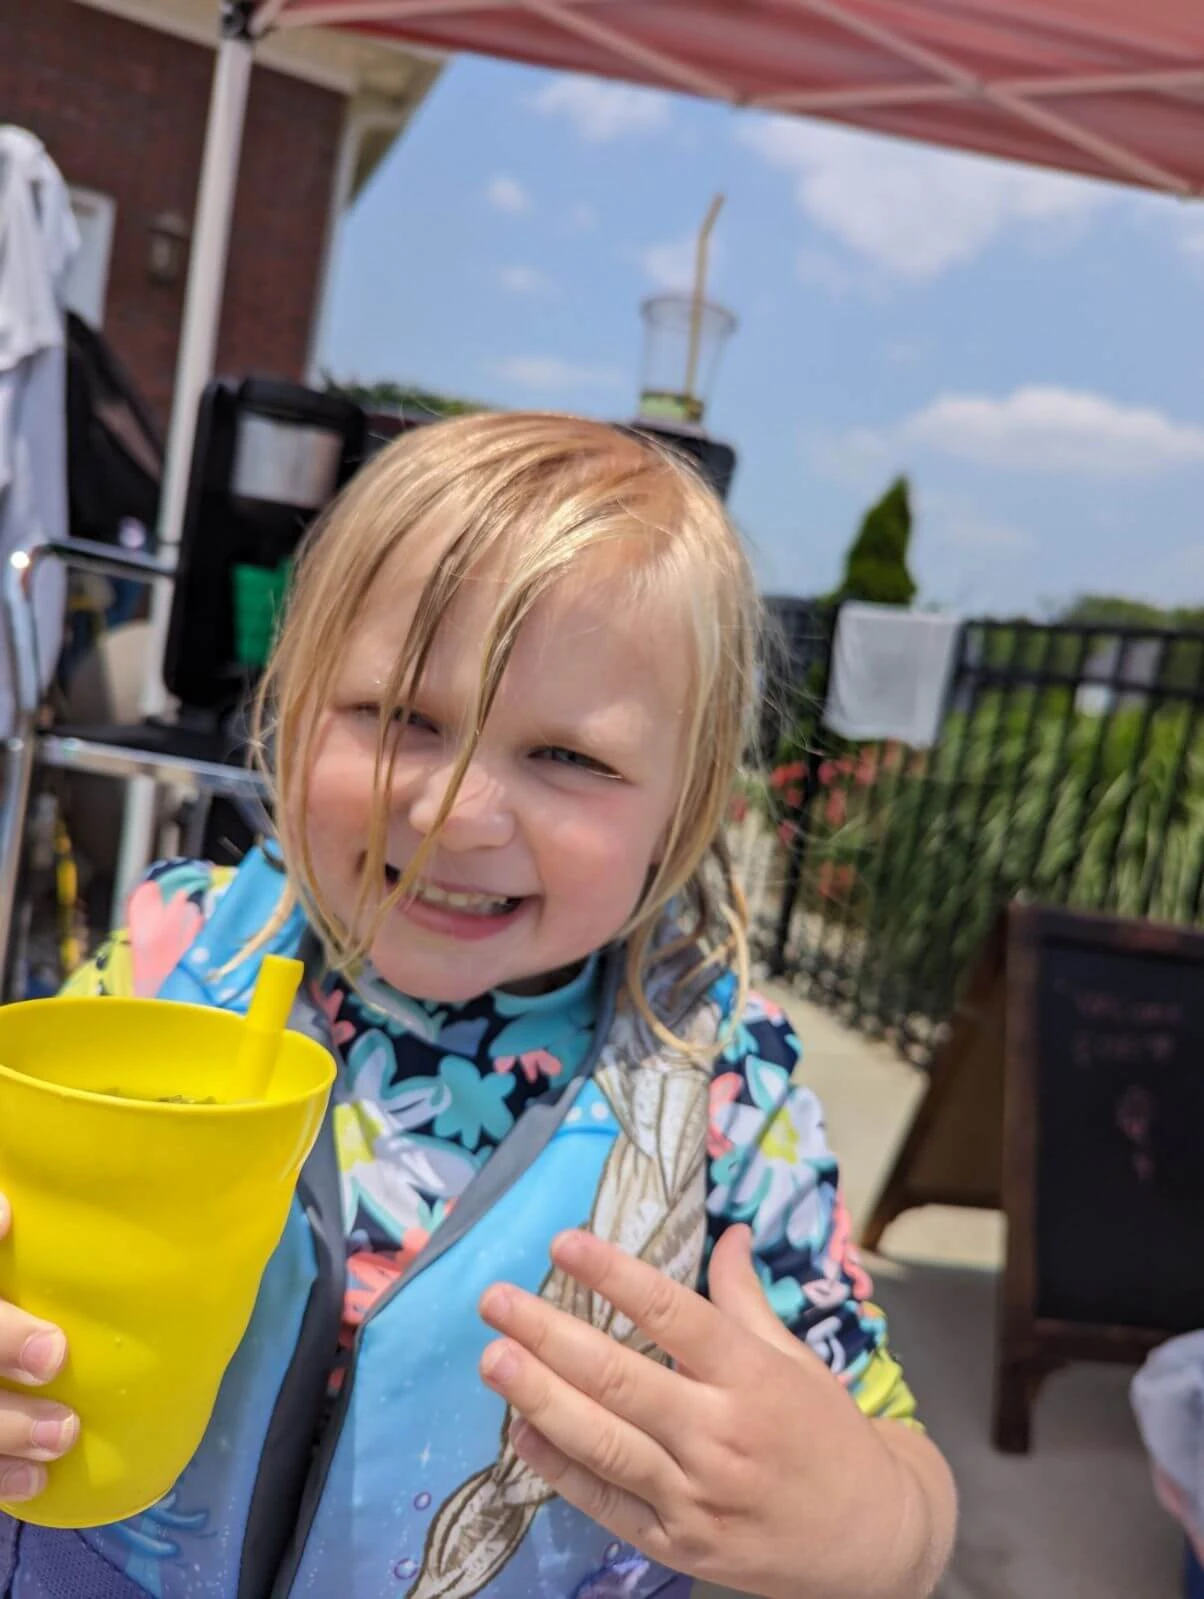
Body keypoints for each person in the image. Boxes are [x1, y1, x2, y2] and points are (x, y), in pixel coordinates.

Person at [0, 413, 956, 1599]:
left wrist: (864, 1529)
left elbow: (899, 1465)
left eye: (568, 757)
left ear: (686, 804)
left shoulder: (719, 1094)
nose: (454, 814)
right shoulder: (171, 957)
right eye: (400, 717)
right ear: (292, 706)